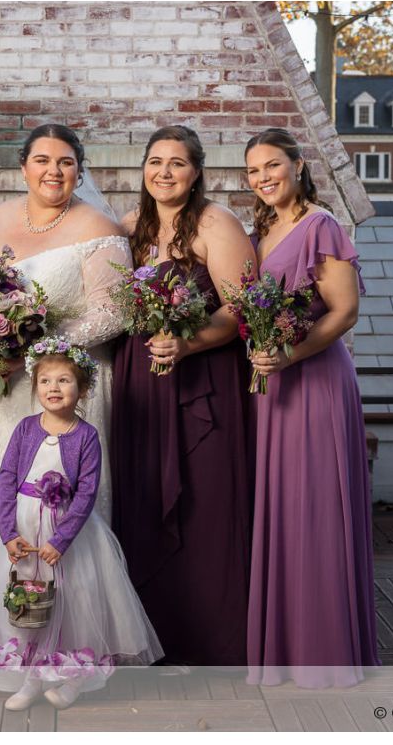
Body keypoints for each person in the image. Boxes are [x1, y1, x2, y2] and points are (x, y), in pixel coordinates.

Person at [0, 125, 132, 677]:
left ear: (80, 170)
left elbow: (113, 313)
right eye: (42, 160)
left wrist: (40, 344)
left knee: (58, 510)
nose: (54, 171)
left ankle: (62, 654)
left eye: (66, 162)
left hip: (63, 392)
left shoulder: (99, 228)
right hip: (0, 392)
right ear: (23, 166)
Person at [0, 337, 162, 710]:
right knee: (29, 601)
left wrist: (61, 540)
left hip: (70, 534)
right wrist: (8, 532)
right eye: (46, 381)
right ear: (35, 387)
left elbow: (86, 493)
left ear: (82, 389)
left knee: (73, 599)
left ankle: (73, 678)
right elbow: (6, 480)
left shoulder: (86, 437)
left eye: (64, 381)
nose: (54, 388)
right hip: (26, 529)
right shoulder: (26, 430)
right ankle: (31, 679)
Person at [110, 126, 257, 666]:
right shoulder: (128, 229)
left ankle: (212, 639)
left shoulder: (216, 223)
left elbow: (243, 307)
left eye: (177, 163)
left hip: (203, 388)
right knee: (145, 501)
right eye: (155, 161)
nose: (164, 172)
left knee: (203, 504)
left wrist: (187, 342)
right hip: (140, 384)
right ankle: (152, 638)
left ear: (196, 173)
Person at [243, 128, 379, 687]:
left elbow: (344, 311)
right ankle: (283, 648)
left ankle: (322, 648)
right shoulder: (260, 229)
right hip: (272, 385)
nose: (263, 177)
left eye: (273, 165)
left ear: (298, 166)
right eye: (253, 171)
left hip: (314, 382)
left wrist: (288, 352)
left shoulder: (320, 224)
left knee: (315, 508)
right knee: (281, 509)